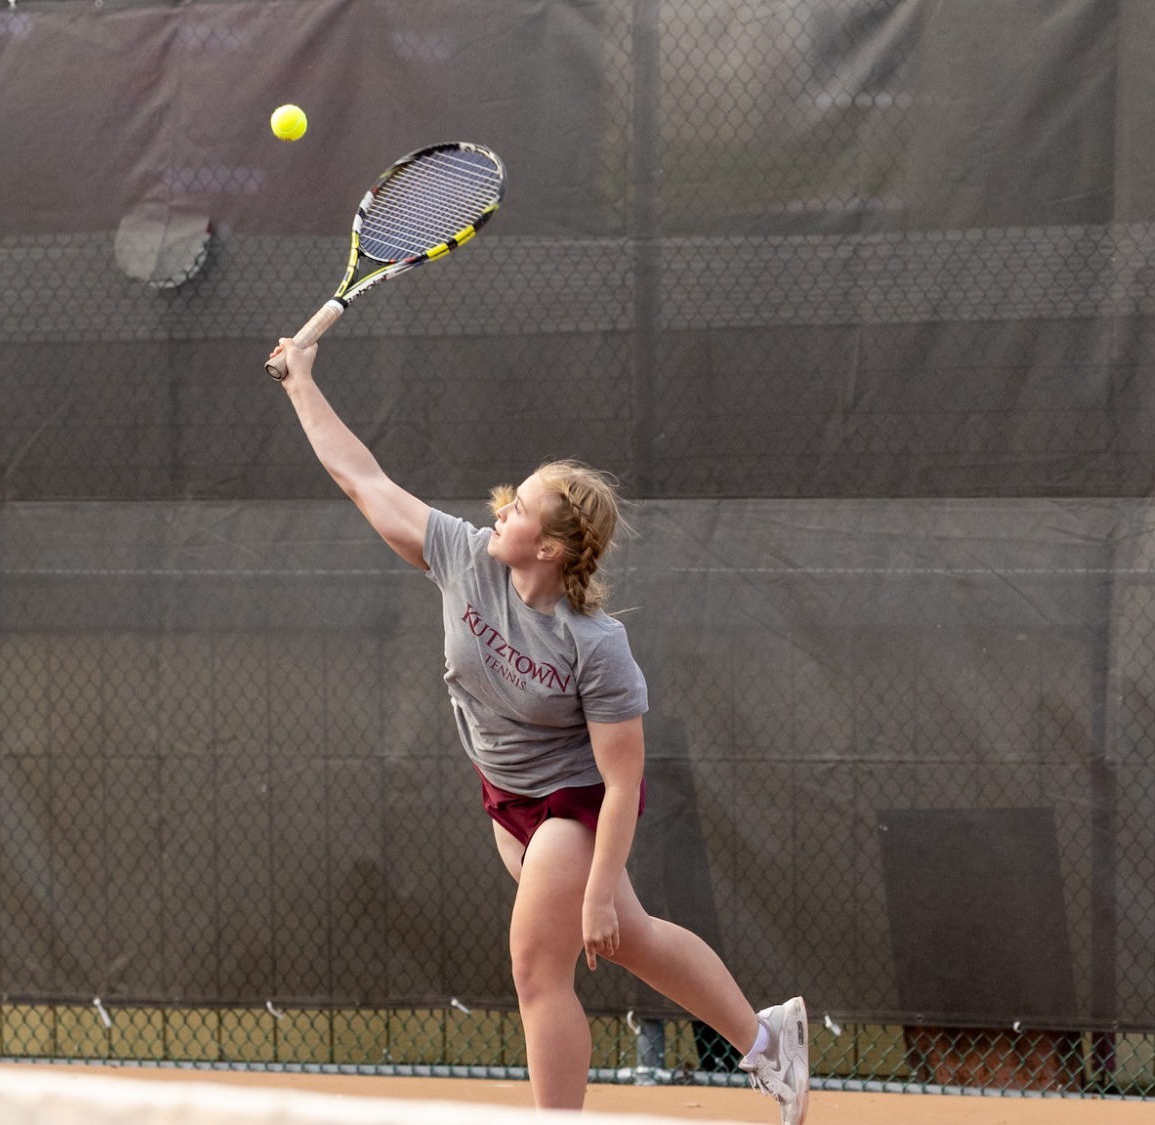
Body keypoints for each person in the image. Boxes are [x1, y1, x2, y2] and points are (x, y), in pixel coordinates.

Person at [269, 337, 810, 1123]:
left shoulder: (595, 646)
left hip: (572, 805)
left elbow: (624, 781)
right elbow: (362, 478)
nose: (500, 509)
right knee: (635, 937)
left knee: (537, 970)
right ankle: (769, 1042)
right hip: (508, 798)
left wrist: (594, 888)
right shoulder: (463, 557)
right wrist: (300, 383)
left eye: (518, 508)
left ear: (550, 548)